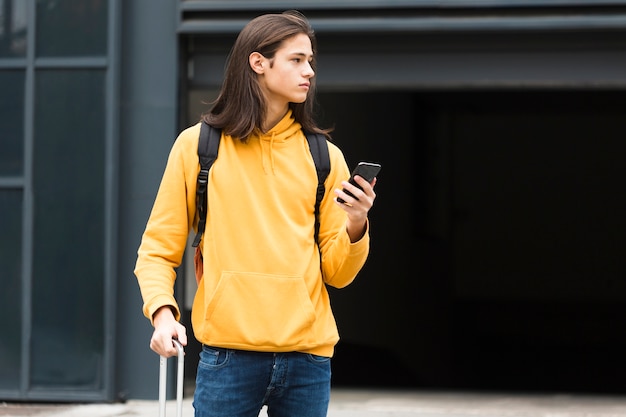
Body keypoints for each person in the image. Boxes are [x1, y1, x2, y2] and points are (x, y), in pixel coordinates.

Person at [135, 10, 377, 417]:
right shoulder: (198, 148)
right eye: (297, 60)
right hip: (229, 358)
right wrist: (162, 314)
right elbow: (158, 249)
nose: (310, 71)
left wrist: (356, 224)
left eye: (311, 61)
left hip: (307, 360)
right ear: (258, 63)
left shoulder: (324, 157)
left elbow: (338, 273)